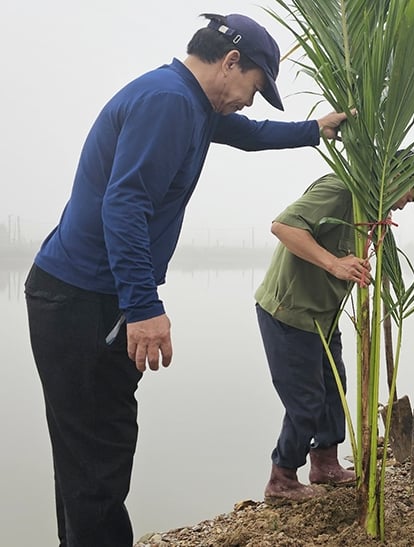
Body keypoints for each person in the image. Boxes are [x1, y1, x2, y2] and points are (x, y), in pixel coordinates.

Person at [24, 13, 348, 547]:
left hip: (84, 295)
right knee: (98, 458)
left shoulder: (192, 103)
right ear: (230, 62)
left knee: (89, 457)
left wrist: (316, 130)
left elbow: (250, 135)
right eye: (255, 87)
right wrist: (144, 305)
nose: (249, 100)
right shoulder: (168, 102)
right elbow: (125, 205)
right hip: (81, 299)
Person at [255, 161, 414, 501]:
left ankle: (325, 464)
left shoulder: (371, 213)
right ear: (397, 178)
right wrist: (334, 264)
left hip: (326, 315)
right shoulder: (340, 189)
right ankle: (282, 479)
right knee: (306, 401)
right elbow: (283, 226)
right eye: (409, 198)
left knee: (335, 392)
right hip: (290, 313)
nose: (404, 206)